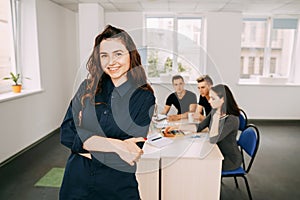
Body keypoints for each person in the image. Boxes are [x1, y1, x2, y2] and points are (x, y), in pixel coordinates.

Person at [59, 25, 155, 200]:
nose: (111, 62)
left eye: (118, 54)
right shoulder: (87, 88)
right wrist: (117, 145)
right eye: (104, 55)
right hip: (77, 181)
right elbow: (66, 133)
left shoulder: (144, 97)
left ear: (130, 54)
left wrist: (85, 140)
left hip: (117, 185)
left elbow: (132, 152)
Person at [165, 84, 242, 171]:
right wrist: (178, 127)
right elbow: (199, 127)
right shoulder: (215, 111)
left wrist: (216, 117)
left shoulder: (231, 119)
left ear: (222, 99)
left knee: (197, 165)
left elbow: (213, 139)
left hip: (229, 159)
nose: (209, 101)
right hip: (217, 151)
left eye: (213, 98)